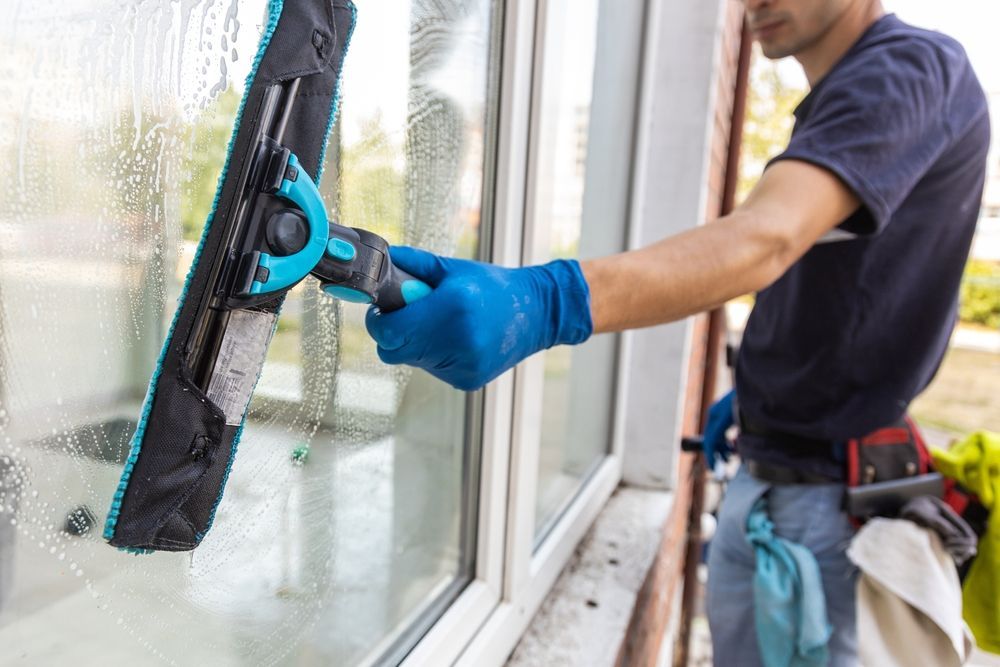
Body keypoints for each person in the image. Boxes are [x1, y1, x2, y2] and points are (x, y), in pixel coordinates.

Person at [364, 0, 990, 663]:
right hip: (791, 481)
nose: (752, 2)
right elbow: (843, 291)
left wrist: (549, 301)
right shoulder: (850, 95)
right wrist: (760, 397)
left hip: (827, 515)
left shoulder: (907, 68)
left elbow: (765, 239)